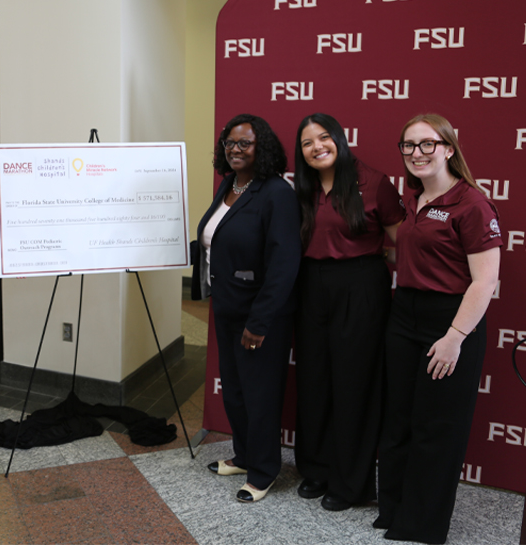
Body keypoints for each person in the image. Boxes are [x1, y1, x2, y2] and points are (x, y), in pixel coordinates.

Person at [375, 114, 501, 544]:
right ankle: (392, 510)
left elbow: (485, 281)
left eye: (427, 144)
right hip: (404, 314)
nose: (417, 153)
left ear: (448, 148)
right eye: (408, 146)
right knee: (399, 420)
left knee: (436, 427)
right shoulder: (411, 199)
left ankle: (422, 525)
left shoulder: (472, 204)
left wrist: (454, 338)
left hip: (450, 320)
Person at [292, 113, 404, 511]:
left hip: (360, 286)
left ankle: (350, 482)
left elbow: (402, 242)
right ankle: (316, 470)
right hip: (310, 286)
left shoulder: (374, 182)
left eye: (324, 138)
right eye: (307, 143)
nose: (317, 147)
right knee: (314, 380)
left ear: (339, 139)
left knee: (354, 386)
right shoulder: (302, 186)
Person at [195, 113, 301, 503]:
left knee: (260, 396)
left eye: (245, 143)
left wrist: (259, 321)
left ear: (263, 148)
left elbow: (284, 263)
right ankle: (243, 456)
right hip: (226, 308)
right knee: (236, 392)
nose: (235, 149)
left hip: (260, 317)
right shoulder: (230, 184)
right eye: (230, 143)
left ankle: (263, 470)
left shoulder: (275, 193)